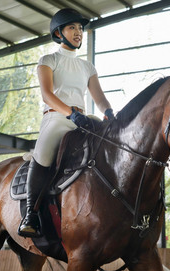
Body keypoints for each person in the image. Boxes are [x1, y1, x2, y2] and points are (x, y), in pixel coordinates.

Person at [18, 8, 115, 237]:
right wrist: (70, 114)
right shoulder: (48, 60)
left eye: (80, 28)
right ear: (59, 33)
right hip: (56, 116)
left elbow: (98, 97)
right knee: (43, 152)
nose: (78, 32)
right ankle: (30, 214)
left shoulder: (87, 67)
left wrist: (109, 111)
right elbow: (47, 95)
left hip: (82, 118)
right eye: (72, 27)